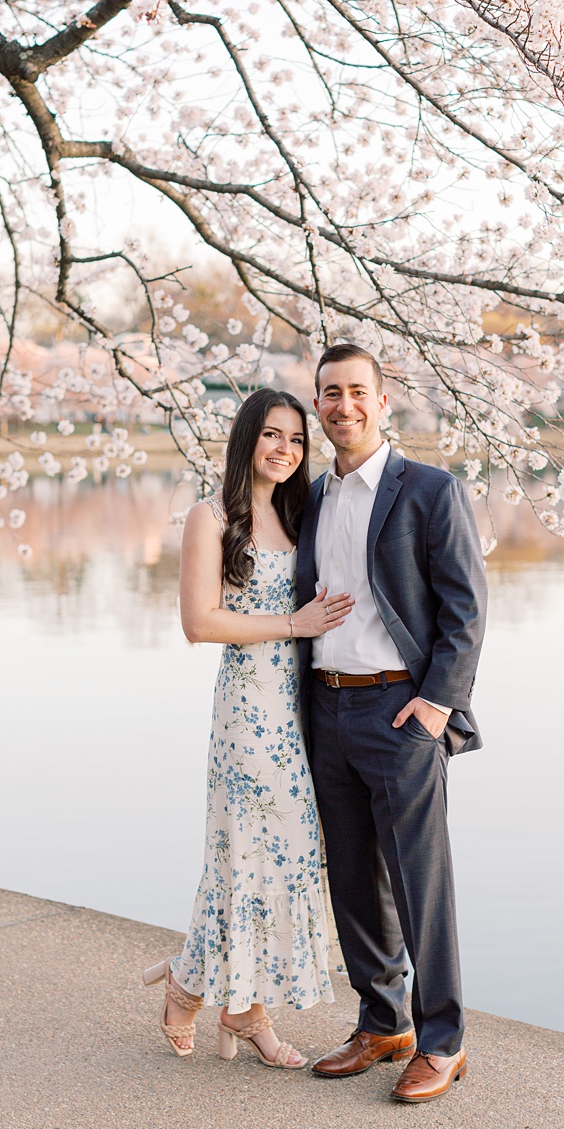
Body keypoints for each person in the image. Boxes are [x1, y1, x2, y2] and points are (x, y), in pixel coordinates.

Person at [297, 342, 488, 1104]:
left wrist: (436, 705)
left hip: (400, 709)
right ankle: (383, 1023)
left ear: (383, 401)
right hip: (326, 706)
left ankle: (443, 1039)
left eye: (356, 391)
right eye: (330, 393)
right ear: (317, 405)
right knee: (351, 877)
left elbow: (466, 608)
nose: (343, 405)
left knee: (419, 881)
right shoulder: (312, 498)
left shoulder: (430, 490)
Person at [142, 388, 356, 1066]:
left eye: (295, 438)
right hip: (250, 712)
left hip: (304, 707)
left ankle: (226, 998)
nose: (284, 448)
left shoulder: (301, 514)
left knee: (290, 855)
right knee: (246, 853)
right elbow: (199, 622)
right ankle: (212, 995)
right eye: (270, 434)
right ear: (246, 440)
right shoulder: (210, 517)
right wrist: (294, 622)